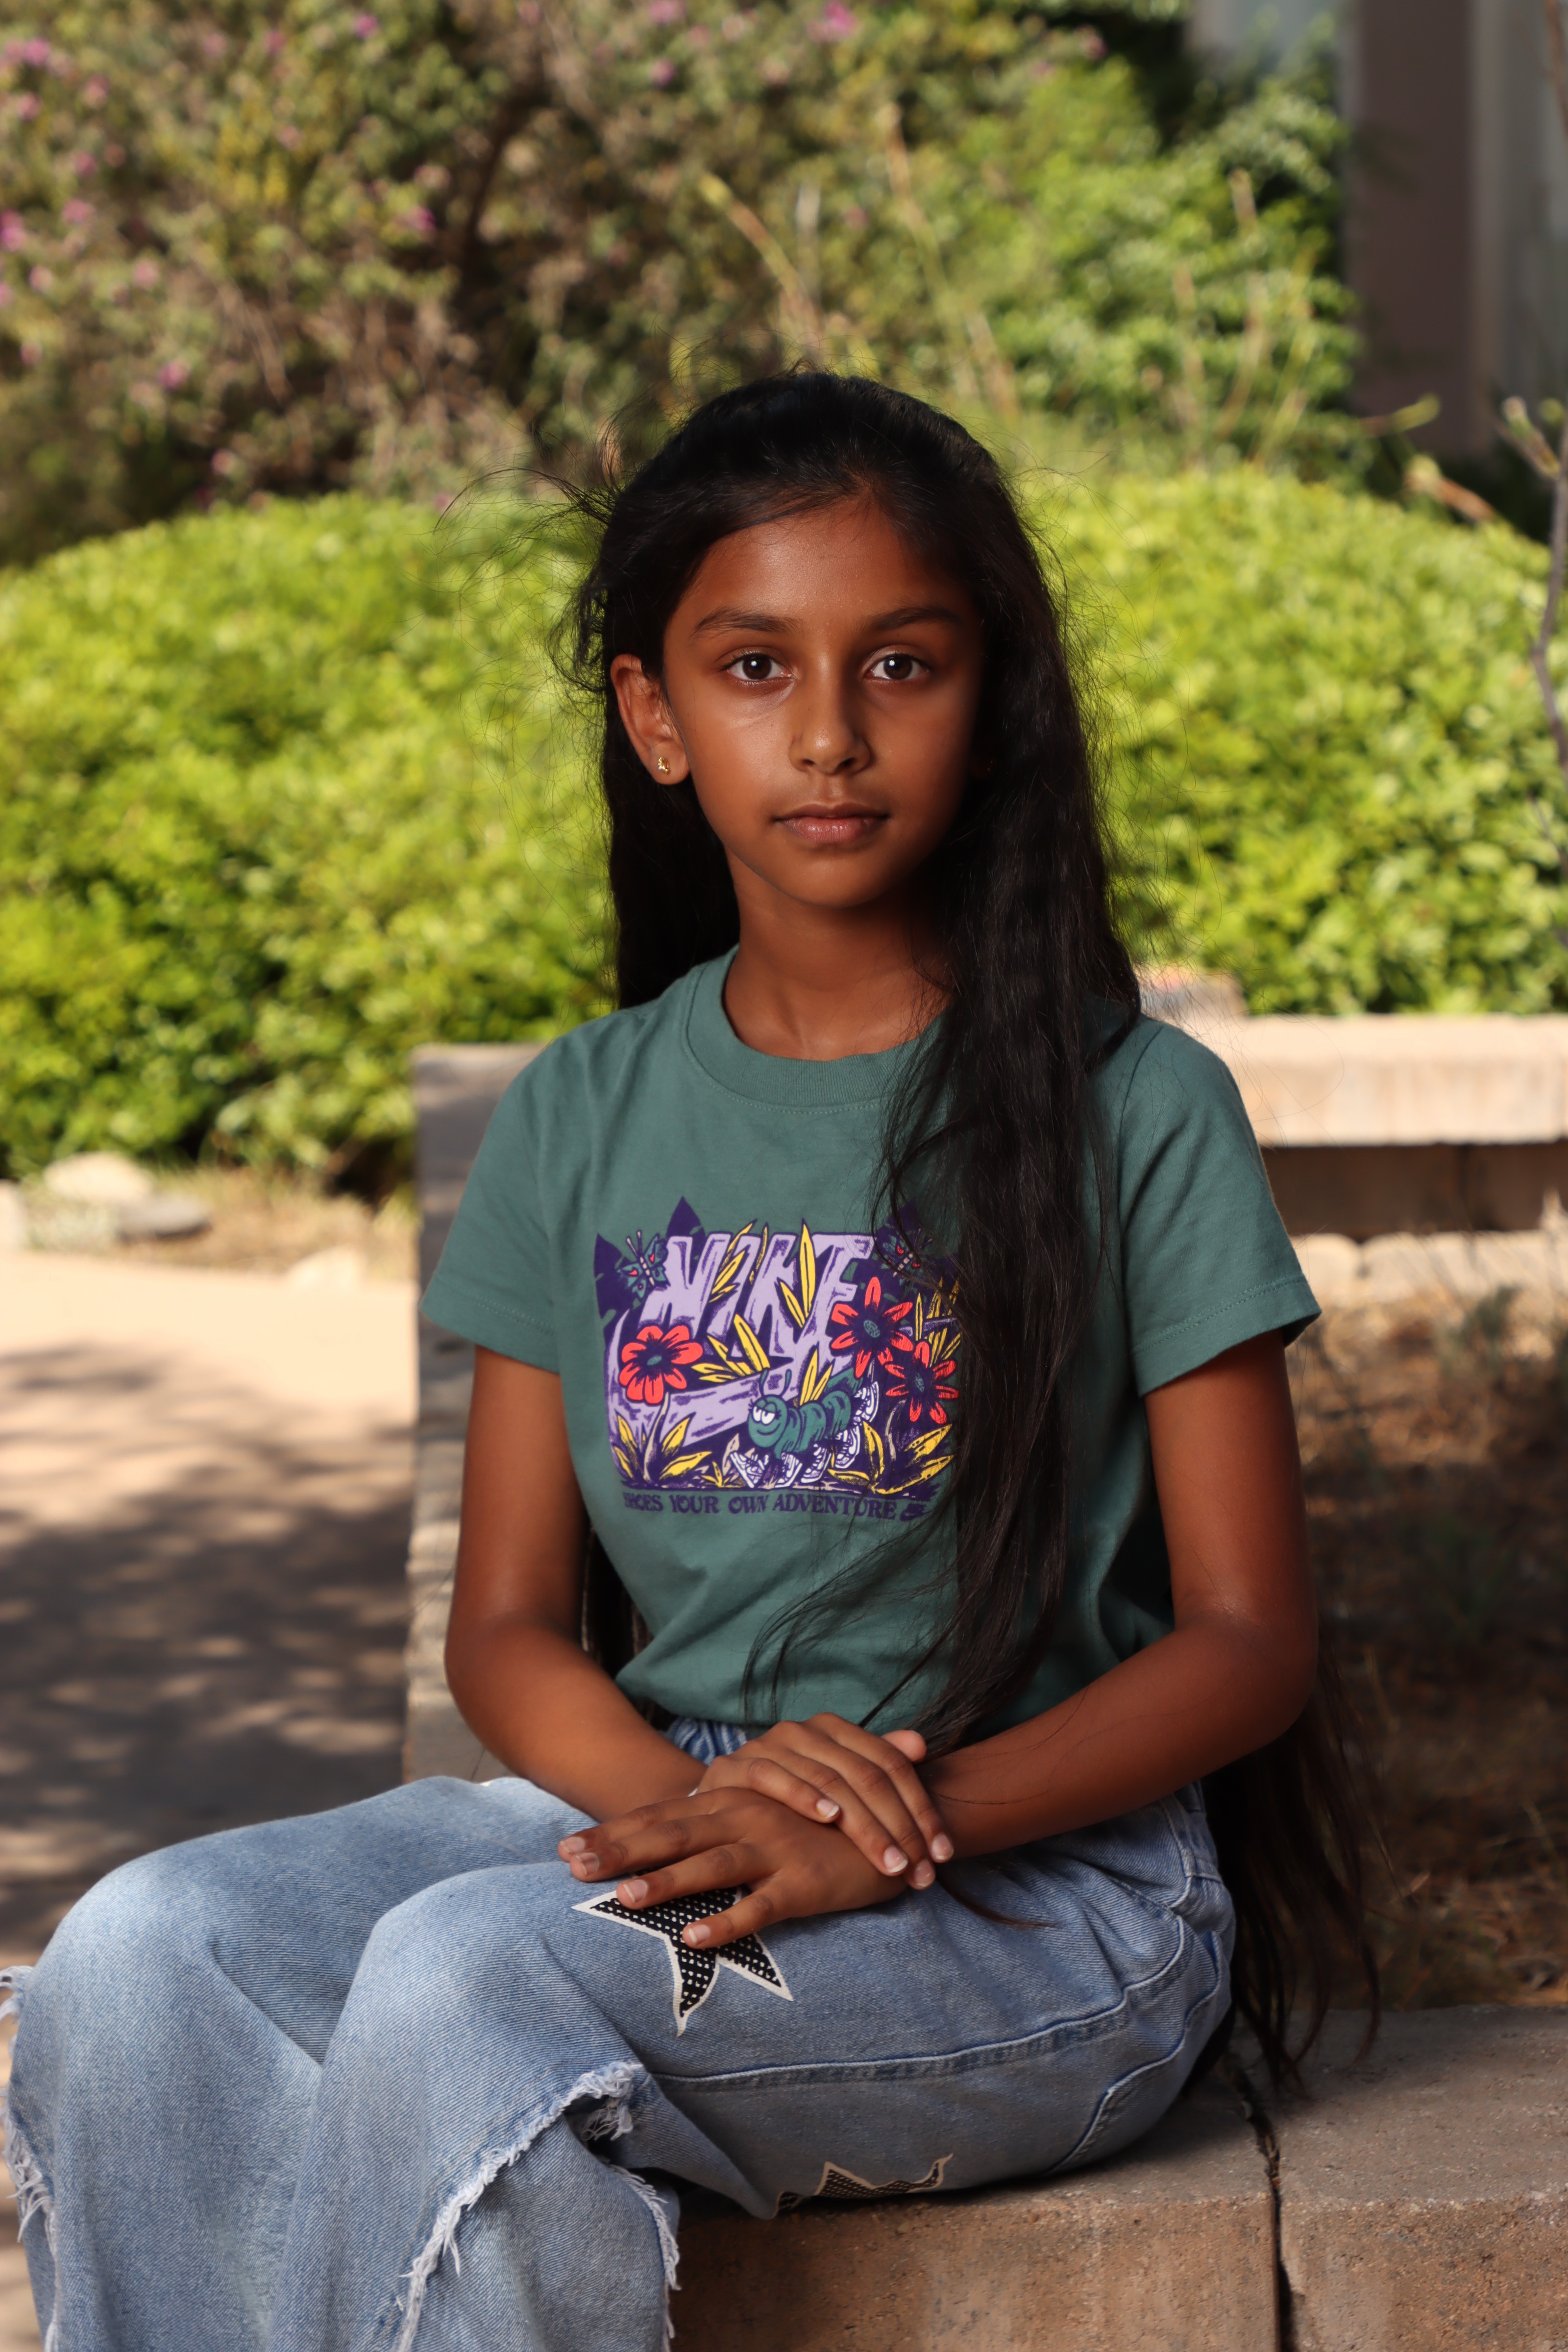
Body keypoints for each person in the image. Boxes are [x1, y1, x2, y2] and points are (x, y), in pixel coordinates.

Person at [2, 373, 1375, 2352]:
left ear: (987, 696)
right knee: (145, 1951)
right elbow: (505, 1629)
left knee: (471, 1987)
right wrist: (702, 1822)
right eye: (752, 667)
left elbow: (1248, 1640)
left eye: (898, 663)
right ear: (656, 717)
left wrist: (877, 1829)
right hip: (664, 1820)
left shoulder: (1133, 1109)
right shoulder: (582, 1111)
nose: (826, 733)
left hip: (1040, 1890)